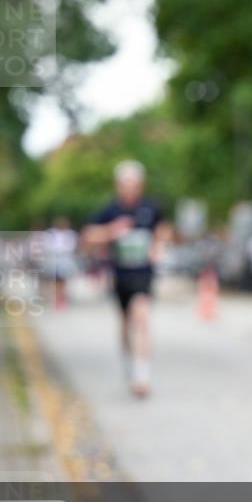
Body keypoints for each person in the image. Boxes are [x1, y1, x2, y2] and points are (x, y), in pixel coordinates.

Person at [82, 161, 170, 398]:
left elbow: (163, 230)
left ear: (140, 185)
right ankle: (130, 363)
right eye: (125, 184)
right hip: (120, 274)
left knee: (141, 316)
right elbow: (88, 235)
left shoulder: (151, 208)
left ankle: (142, 375)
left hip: (143, 273)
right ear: (118, 185)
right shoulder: (110, 210)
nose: (129, 188)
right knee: (125, 323)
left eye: (134, 184)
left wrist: (159, 245)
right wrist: (111, 231)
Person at [44, 216, 78, 310]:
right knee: (56, 280)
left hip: (65, 259)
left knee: (63, 280)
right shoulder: (51, 234)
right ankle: (57, 298)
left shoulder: (70, 234)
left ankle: (62, 298)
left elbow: (72, 247)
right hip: (55, 259)